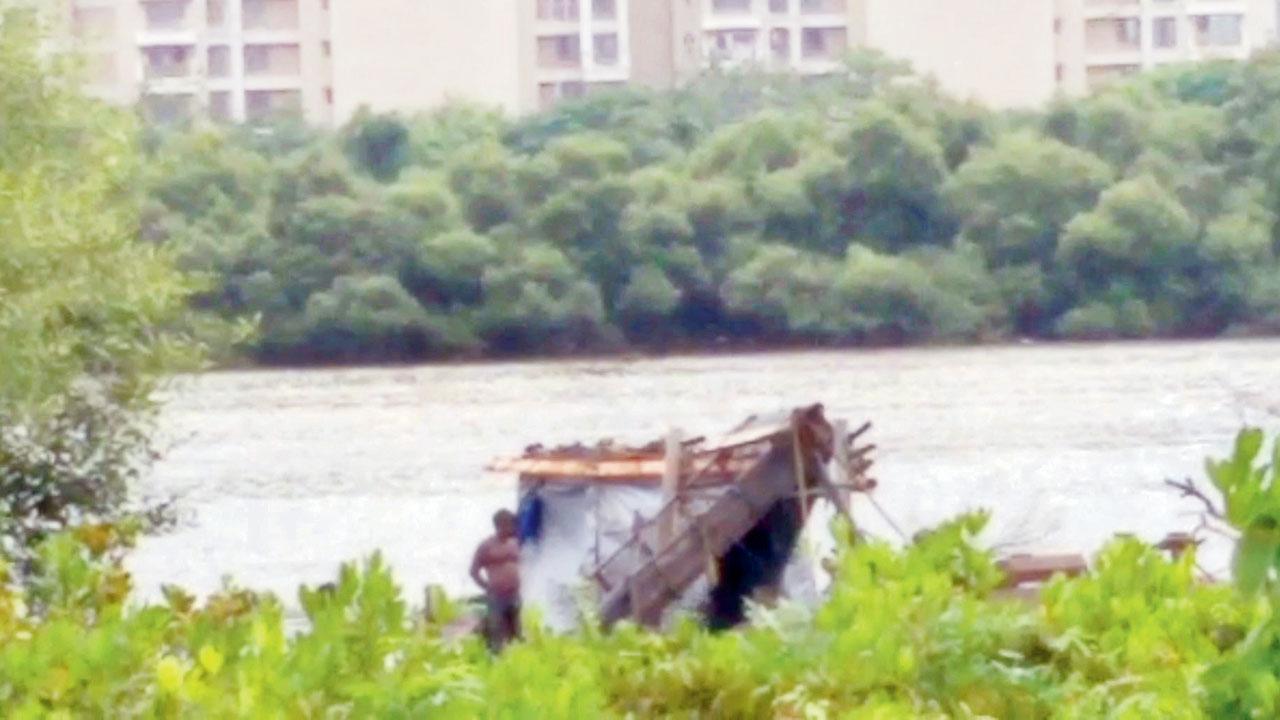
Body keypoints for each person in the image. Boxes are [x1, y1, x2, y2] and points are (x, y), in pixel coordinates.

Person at [470, 509, 521, 651]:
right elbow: (474, 571)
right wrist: (487, 587)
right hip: (497, 595)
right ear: (499, 525)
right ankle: (495, 656)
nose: (510, 528)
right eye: (507, 525)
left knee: (515, 630)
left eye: (511, 524)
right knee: (496, 631)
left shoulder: (515, 543)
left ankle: (512, 658)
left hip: (514, 594)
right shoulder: (486, 546)